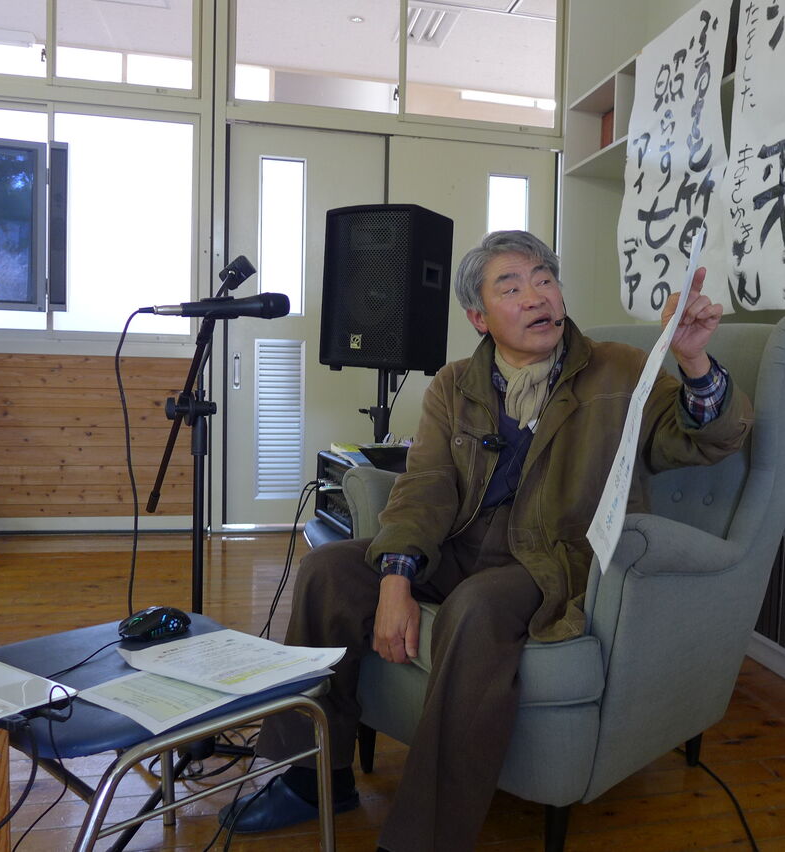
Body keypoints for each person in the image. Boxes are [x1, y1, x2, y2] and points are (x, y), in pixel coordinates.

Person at [220, 230, 754, 851]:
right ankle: (313, 779)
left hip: (552, 559)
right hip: (459, 548)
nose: (536, 296)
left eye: (544, 280)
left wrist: (693, 362)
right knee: (328, 572)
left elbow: (706, 438)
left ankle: (426, 837)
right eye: (512, 287)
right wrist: (395, 576)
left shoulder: (620, 369)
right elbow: (424, 486)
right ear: (479, 317)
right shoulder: (454, 384)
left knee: (475, 609)